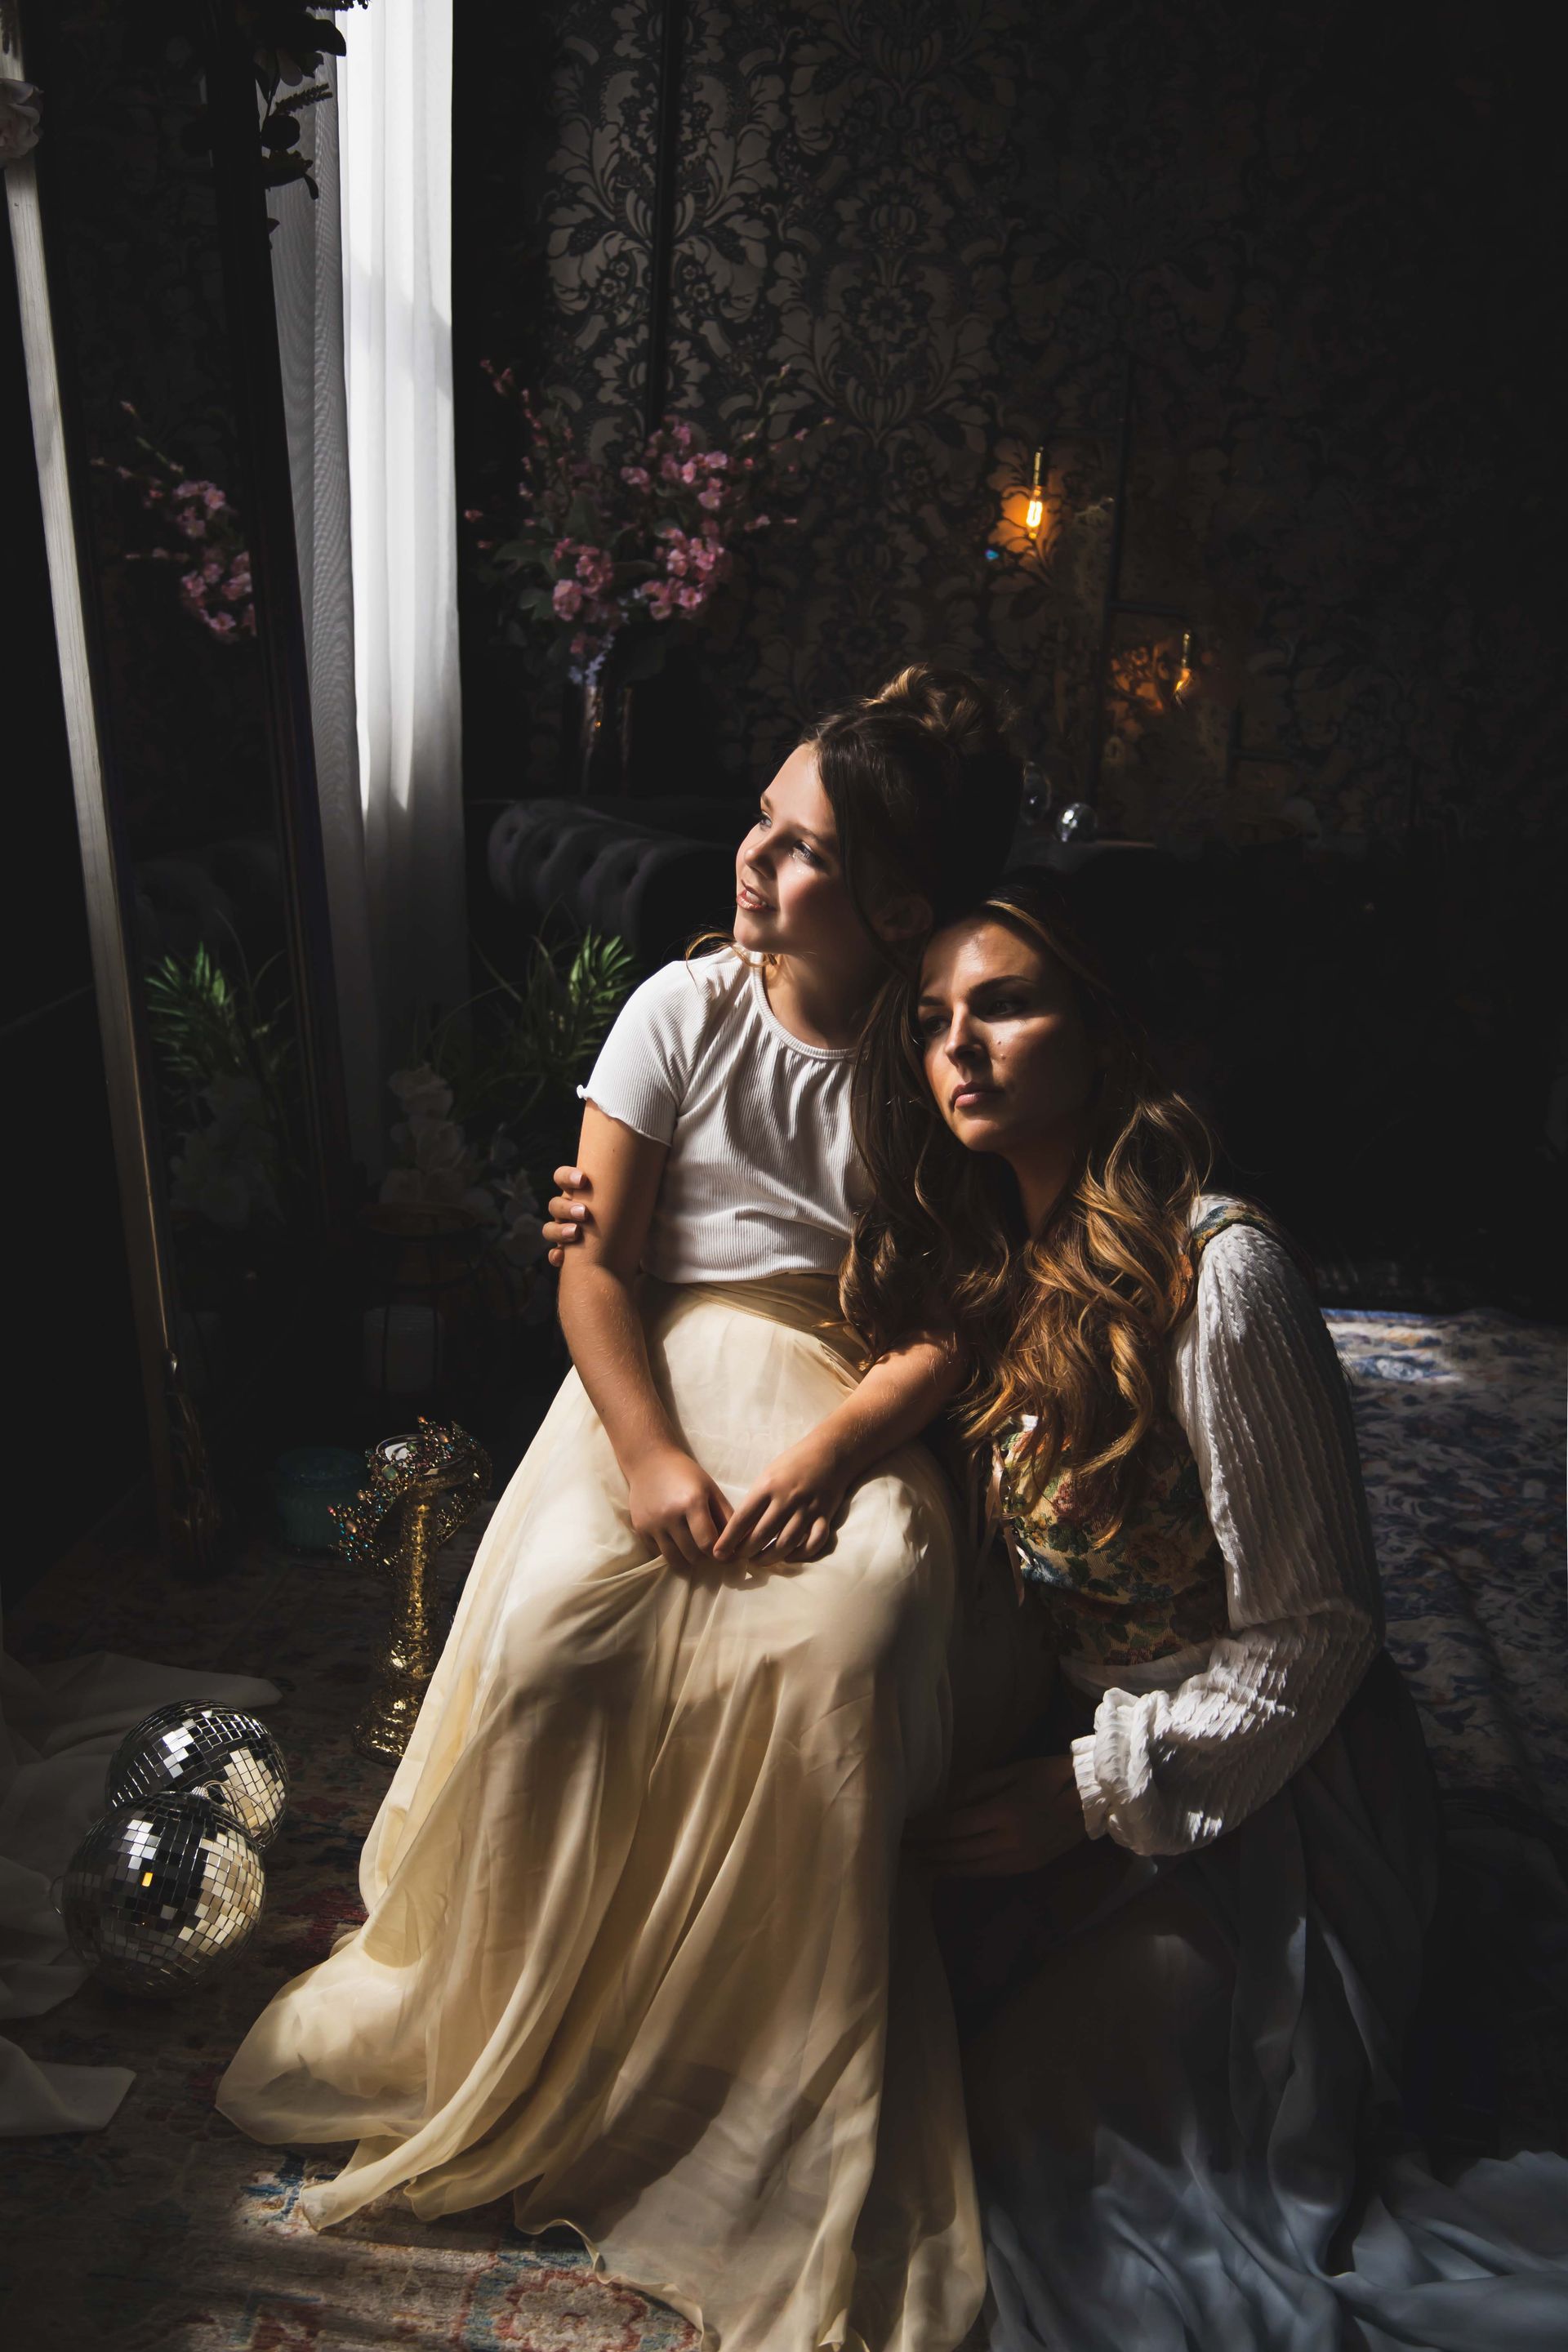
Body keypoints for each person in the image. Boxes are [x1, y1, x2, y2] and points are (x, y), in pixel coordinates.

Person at [216, 666, 1022, 2352]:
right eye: (760, 821)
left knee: (844, 1638)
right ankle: (517, 2018)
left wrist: (828, 1461)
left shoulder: (924, 1050)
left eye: (800, 850)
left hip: (844, 1398)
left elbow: (954, 1314)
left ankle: (754, 2079)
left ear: (891, 906)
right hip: (653, 1375)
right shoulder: (677, 1012)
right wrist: (651, 1456)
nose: (751, 861)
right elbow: (593, 1269)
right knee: (564, 1635)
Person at [844, 868, 1568, 2351]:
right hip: (1096, 1754)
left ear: (1101, 1036)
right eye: (932, 1022)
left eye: (1004, 1004)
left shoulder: (1223, 1274)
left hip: (1281, 1795)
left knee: (1039, 2165)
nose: (960, 1048)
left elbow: (1320, 1631)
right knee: (875, 2054)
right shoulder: (999, 1271)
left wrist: (1087, 1796)